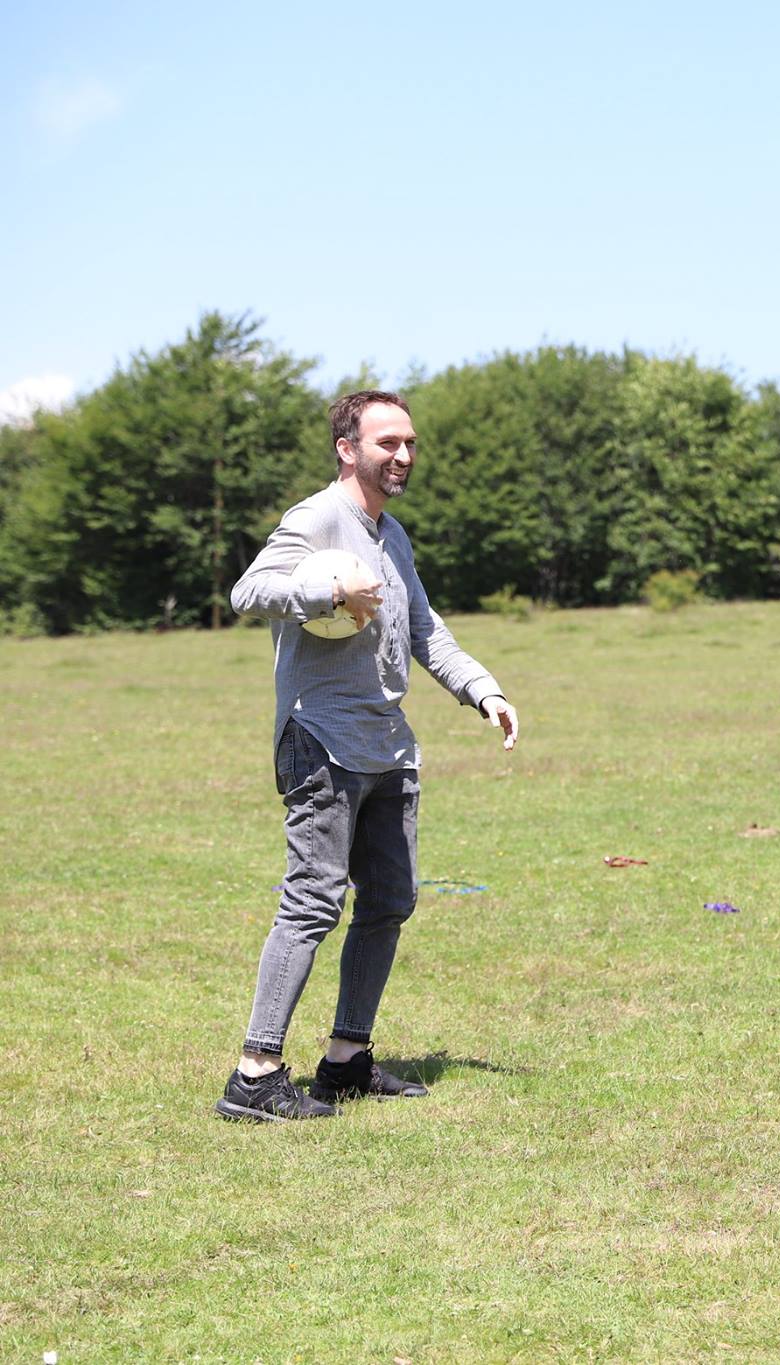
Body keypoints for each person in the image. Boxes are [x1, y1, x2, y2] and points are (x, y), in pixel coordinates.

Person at [215, 390, 518, 1122]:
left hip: (387, 744)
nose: (404, 455)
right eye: (388, 442)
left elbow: (424, 627)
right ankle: (254, 1074)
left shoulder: (394, 535)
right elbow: (249, 589)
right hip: (320, 738)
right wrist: (326, 585)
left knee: (389, 900)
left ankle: (346, 1060)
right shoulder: (319, 517)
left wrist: (481, 688)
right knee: (312, 900)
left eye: (411, 442)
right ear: (348, 448)